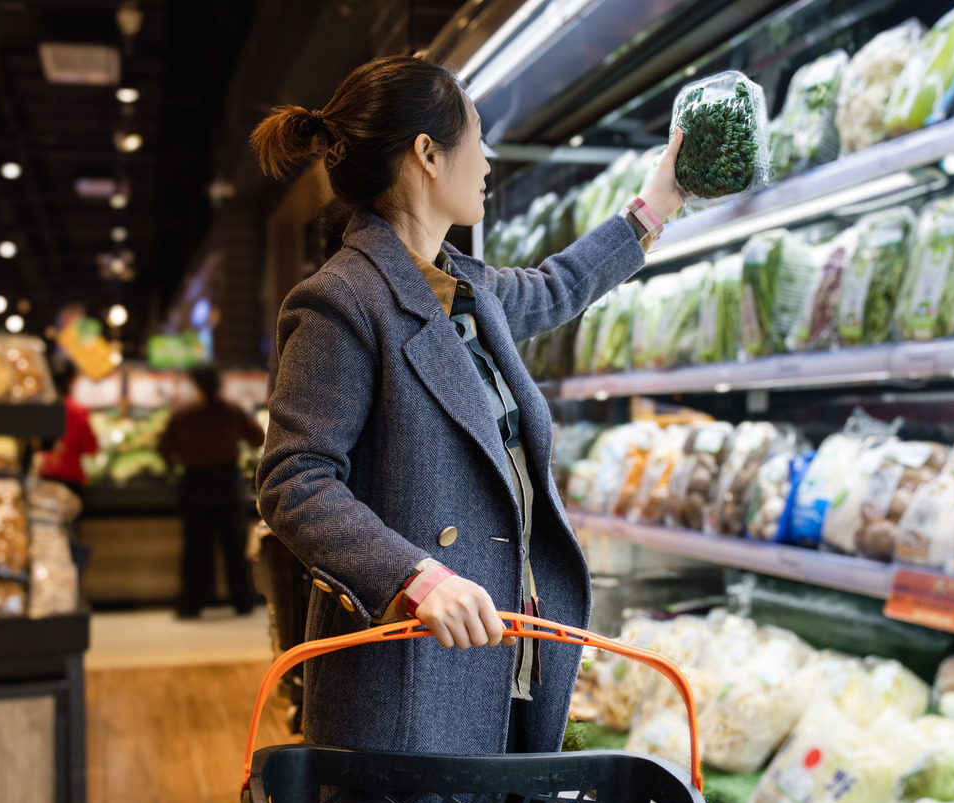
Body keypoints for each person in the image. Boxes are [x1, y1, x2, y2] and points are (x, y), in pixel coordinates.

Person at [251, 57, 685, 765]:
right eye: (476, 139)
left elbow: (556, 287)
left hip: (497, 661)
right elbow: (294, 481)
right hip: (408, 682)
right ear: (428, 154)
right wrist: (414, 577)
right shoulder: (339, 301)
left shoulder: (464, 288)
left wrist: (658, 202)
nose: (485, 162)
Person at [159, 364, 265, 617]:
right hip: (227, 483)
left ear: (195, 384)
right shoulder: (232, 411)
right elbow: (258, 438)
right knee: (234, 547)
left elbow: (165, 449)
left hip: (195, 483)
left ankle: (191, 605)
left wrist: (183, 458)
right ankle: (242, 602)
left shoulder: (184, 414)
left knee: (196, 548)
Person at [38, 365, 99, 495]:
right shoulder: (78, 411)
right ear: (72, 381)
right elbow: (91, 447)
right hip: (71, 476)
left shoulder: (43, 409)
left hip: (46, 473)